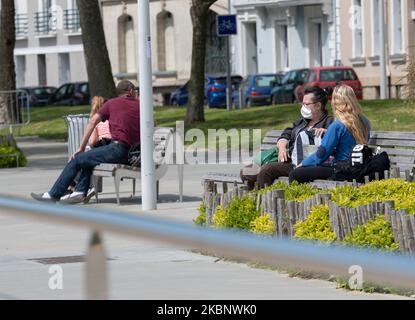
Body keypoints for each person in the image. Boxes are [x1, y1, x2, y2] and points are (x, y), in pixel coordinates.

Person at [31, 80, 140, 204]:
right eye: (135, 91)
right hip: (135, 154)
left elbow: (93, 122)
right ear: (130, 91)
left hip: (120, 150)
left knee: (77, 159)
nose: (136, 93)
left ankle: (53, 195)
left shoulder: (111, 103)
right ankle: (80, 192)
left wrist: (81, 147)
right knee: (89, 158)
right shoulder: (141, 105)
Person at [241, 87, 334, 190]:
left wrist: (326, 132)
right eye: (302, 103)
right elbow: (285, 134)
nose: (303, 107)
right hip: (287, 159)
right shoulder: (301, 122)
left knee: (266, 170)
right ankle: (253, 197)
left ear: (318, 105)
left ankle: (262, 200)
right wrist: (282, 148)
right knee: (246, 172)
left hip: (303, 164)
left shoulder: (329, 123)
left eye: (306, 104)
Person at [289, 84, 371, 184]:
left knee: (295, 174)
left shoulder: (337, 126)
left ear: (335, 102)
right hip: (360, 167)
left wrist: (302, 164)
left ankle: (297, 198)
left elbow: (320, 156)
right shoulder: (364, 121)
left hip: (341, 170)